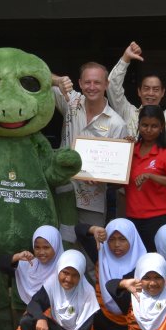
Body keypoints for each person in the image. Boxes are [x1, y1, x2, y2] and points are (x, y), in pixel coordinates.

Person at [51, 62, 130, 226]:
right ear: (80, 83)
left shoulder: (117, 124)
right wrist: (59, 80)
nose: (92, 87)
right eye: (87, 82)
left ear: (106, 84)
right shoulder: (70, 101)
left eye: (97, 82)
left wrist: (103, 178)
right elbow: (41, 75)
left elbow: (118, 177)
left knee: (91, 246)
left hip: (92, 200)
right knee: (60, 245)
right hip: (61, 190)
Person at [0, 225, 63, 330]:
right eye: (37, 247)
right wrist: (17, 256)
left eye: (46, 247)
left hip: (57, 320)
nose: (41, 252)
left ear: (56, 246)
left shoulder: (64, 267)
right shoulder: (29, 264)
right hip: (32, 314)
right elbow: (2, 264)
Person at [93, 218, 146, 330]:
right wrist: (94, 229)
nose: (116, 245)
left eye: (122, 239)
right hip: (105, 316)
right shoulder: (103, 255)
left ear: (132, 238)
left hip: (129, 323)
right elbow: (80, 231)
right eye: (112, 239)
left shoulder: (144, 266)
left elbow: (149, 309)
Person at [124, 105, 166, 250]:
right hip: (133, 217)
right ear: (138, 125)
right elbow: (117, 180)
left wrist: (152, 176)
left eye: (154, 126)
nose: (148, 130)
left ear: (162, 127)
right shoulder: (129, 150)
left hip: (160, 218)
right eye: (144, 125)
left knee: (160, 264)